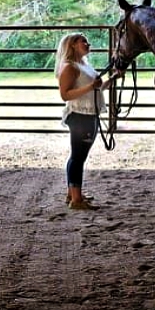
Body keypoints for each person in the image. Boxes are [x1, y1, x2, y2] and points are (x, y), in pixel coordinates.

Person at [54, 33, 113, 210]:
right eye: (83, 42)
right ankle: (76, 200)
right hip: (80, 115)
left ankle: (72, 193)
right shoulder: (69, 67)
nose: (88, 44)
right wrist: (91, 86)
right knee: (78, 157)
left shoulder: (83, 65)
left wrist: (113, 79)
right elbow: (65, 94)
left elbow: (95, 89)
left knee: (78, 156)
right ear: (72, 45)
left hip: (88, 114)